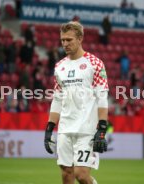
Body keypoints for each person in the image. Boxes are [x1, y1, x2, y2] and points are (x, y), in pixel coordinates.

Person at [44, 21, 109, 184]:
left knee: (81, 174)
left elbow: (102, 97)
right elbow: (57, 99)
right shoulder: (59, 66)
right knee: (67, 174)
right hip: (65, 128)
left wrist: (101, 129)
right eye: (63, 40)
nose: (65, 44)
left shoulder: (95, 63)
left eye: (69, 40)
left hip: (86, 128)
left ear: (80, 39)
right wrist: (49, 128)